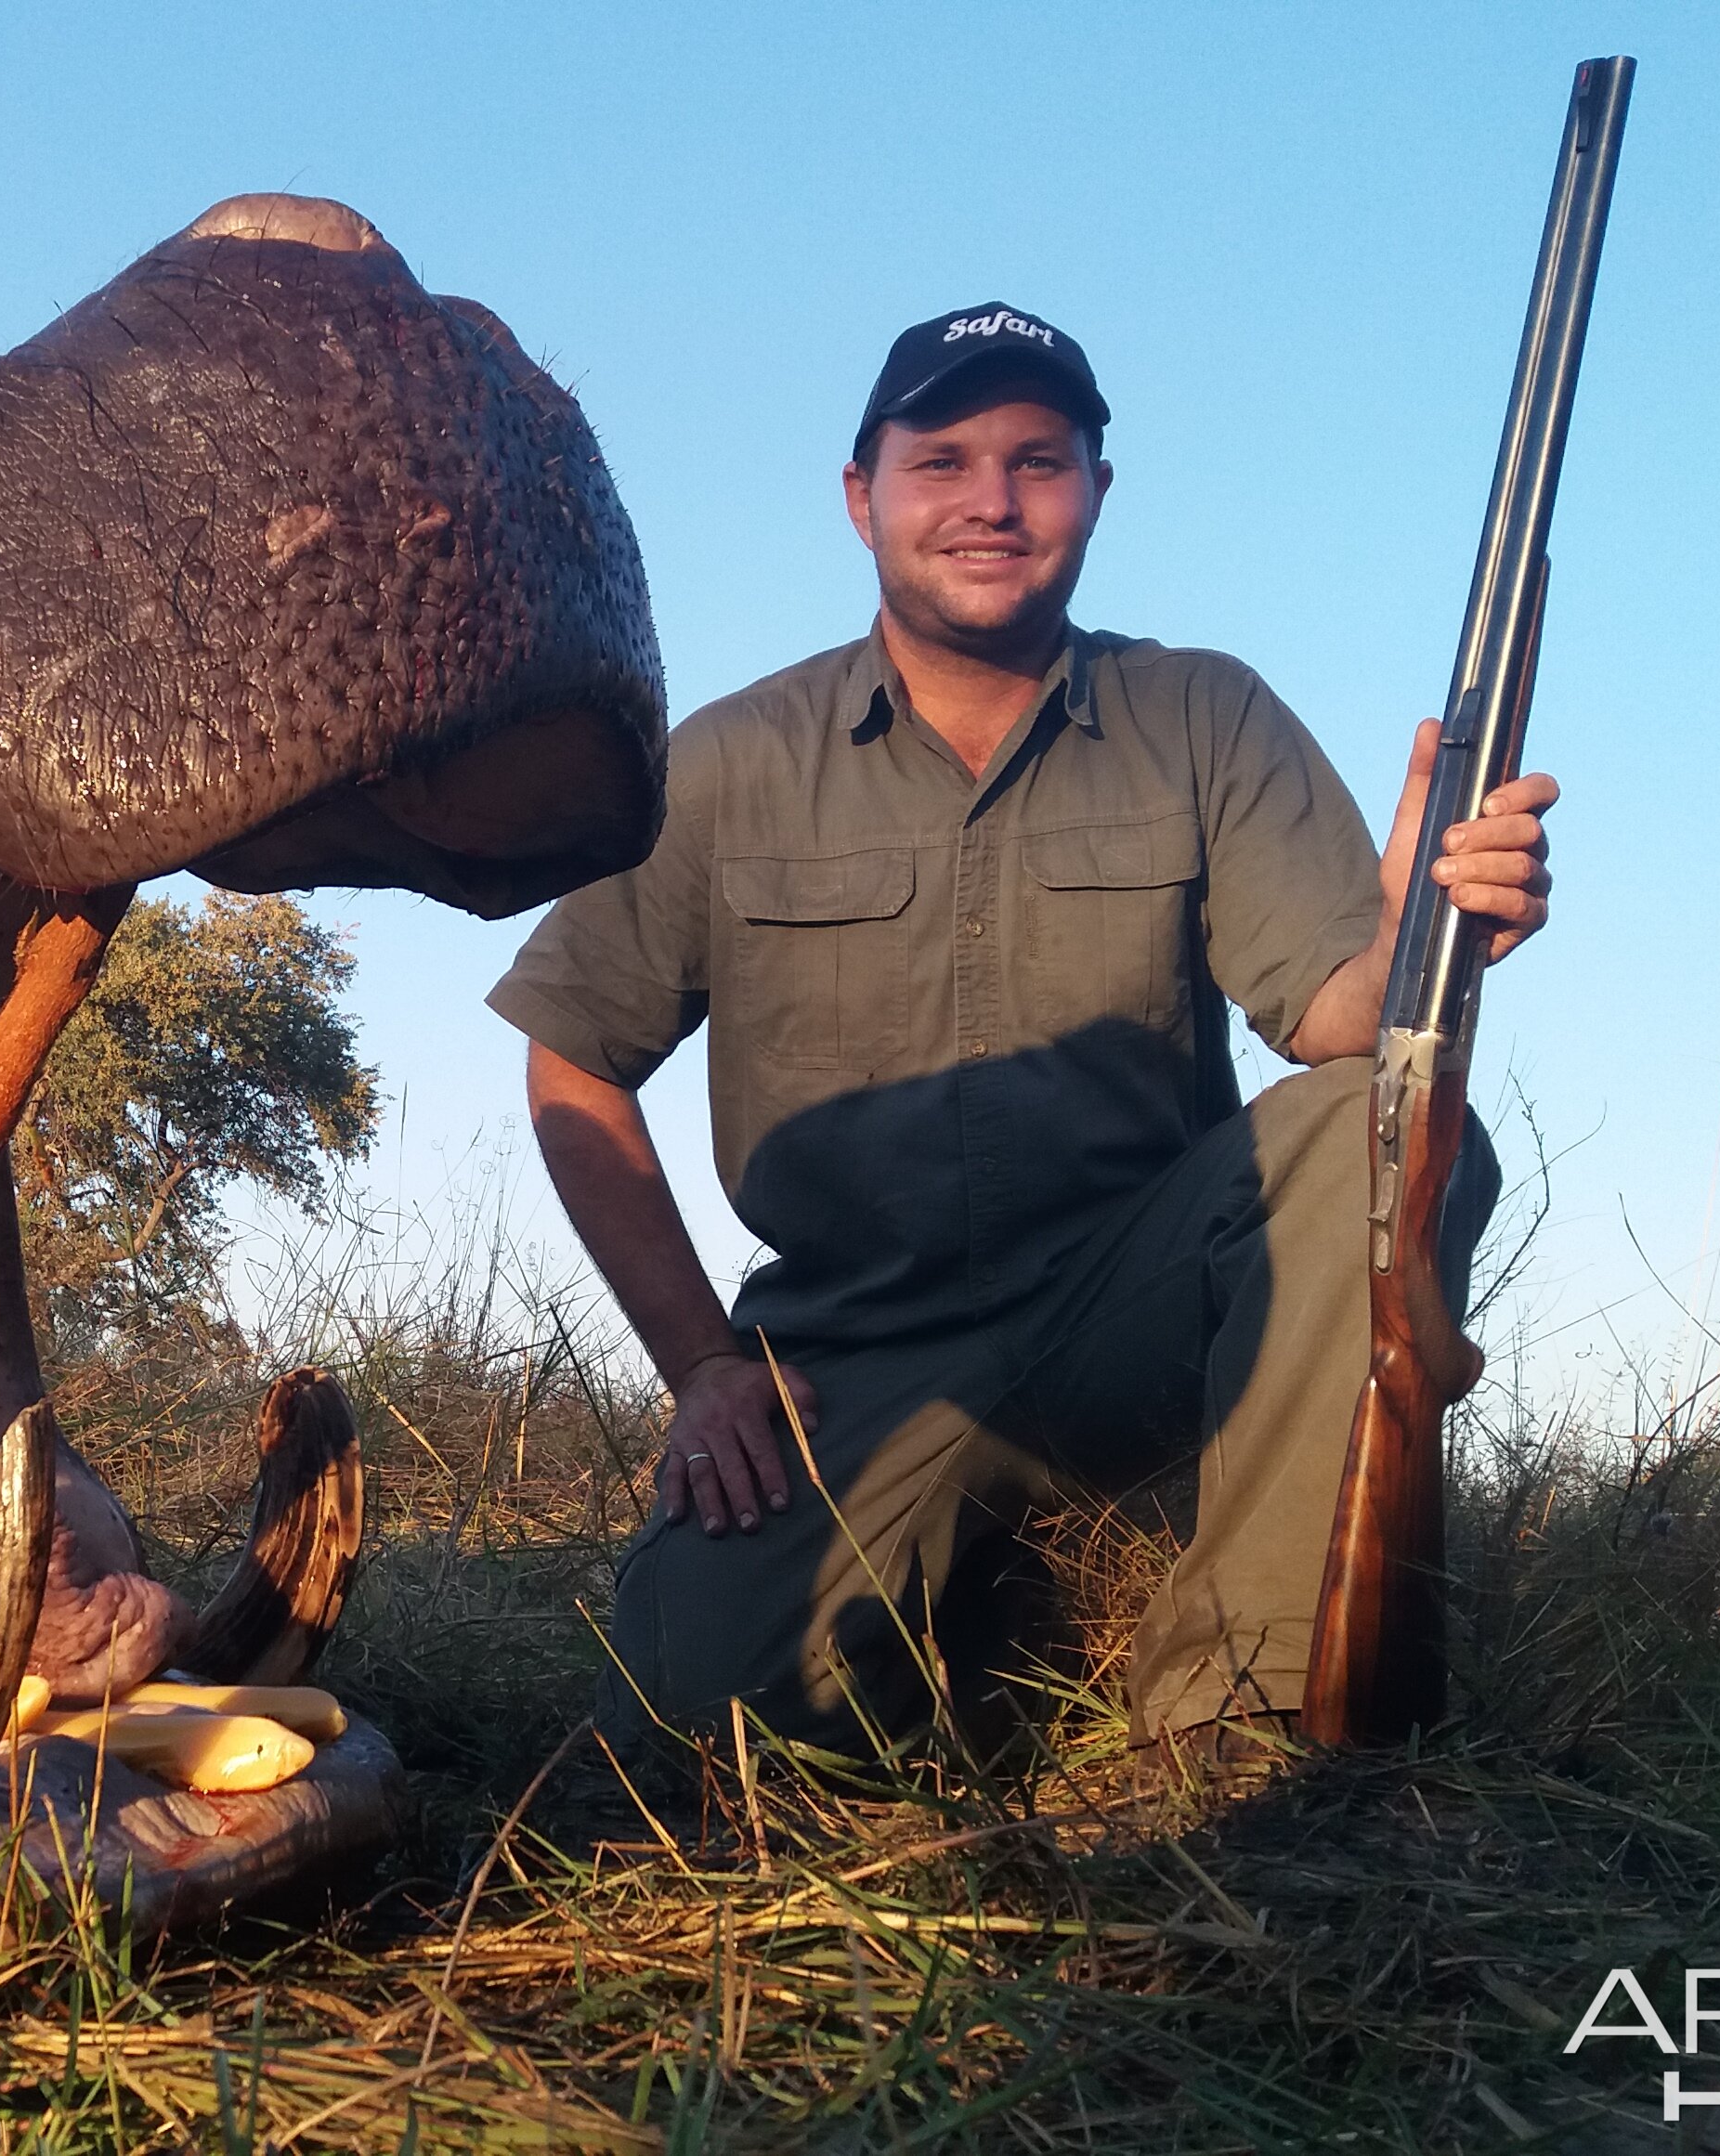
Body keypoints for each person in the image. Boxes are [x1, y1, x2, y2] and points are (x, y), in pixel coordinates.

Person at [488, 303, 1558, 1768]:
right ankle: (984, 1625)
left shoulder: (1204, 712)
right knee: (670, 1764)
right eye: (943, 460)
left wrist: (1425, 921)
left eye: (1039, 460)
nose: (991, 500)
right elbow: (573, 1059)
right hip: (854, 1351)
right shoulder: (729, 762)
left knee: (1388, 1108)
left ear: (1096, 494)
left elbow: (1336, 1024)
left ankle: (1246, 1727)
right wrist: (703, 1370)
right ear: (862, 498)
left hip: (1129, 1311)